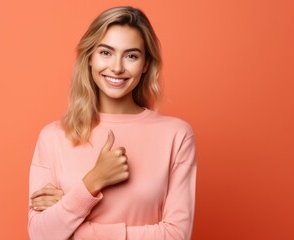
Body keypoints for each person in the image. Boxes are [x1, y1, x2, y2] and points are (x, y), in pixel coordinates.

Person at [28, 6, 197, 240]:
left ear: (146, 64)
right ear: (89, 57)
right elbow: (41, 235)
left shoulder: (176, 135)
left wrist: (76, 228)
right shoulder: (54, 136)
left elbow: (176, 235)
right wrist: (93, 180)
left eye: (131, 56)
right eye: (106, 52)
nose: (117, 67)